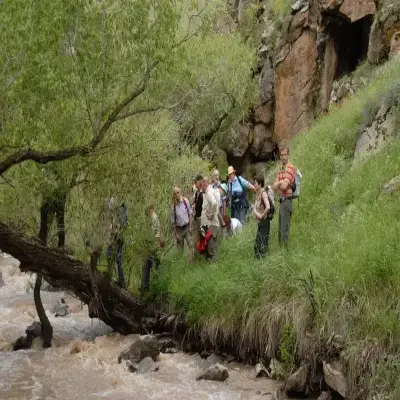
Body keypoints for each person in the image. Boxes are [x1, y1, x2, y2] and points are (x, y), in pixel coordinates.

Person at [272, 146, 296, 247]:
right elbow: (274, 186)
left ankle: (285, 253)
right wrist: (281, 182)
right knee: (280, 230)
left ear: (288, 155)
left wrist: (280, 183)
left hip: (287, 201)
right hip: (281, 201)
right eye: (281, 155)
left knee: (284, 230)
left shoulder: (290, 168)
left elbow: (284, 186)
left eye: (285, 154)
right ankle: (282, 252)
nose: (283, 157)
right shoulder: (281, 169)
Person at [105, 197, 127, 289]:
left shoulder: (120, 205)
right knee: (117, 257)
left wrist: (116, 230)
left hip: (117, 235)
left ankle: (110, 277)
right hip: (117, 235)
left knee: (111, 254)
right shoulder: (122, 205)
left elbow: (123, 223)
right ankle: (120, 280)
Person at [142, 205, 164, 292]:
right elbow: (156, 232)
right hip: (151, 244)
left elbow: (157, 232)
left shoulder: (153, 218)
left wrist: (159, 242)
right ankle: (149, 285)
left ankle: (148, 285)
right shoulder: (152, 218)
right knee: (152, 263)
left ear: (151, 209)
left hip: (152, 244)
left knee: (151, 263)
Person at [170, 186, 193, 260]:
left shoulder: (185, 201)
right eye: (175, 193)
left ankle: (191, 261)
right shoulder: (173, 207)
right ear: (173, 195)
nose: (177, 194)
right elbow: (173, 222)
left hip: (186, 227)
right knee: (180, 250)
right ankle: (181, 265)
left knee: (191, 245)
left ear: (180, 192)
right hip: (179, 229)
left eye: (178, 192)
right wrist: (176, 234)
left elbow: (190, 213)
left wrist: (190, 226)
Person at [200, 176, 220, 261]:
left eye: (201, 185)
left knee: (211, 247)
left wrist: (211, 214)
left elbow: (215, 204)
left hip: (212, 224)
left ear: (205, 184)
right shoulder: (207, 192)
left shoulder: (209, 192)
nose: (201, 188)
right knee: (209, 246)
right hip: (208, 224)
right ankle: (211, 265)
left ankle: (214, 266)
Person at [252, 177, 271, 258]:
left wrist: (262, 215)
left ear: (259, 184)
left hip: (264, 222)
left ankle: (263, 262)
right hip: (261, 223)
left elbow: (268, 207)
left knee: (262, 246)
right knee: (257, 246)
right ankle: (259, 263)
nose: (254, 185)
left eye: (255, 183)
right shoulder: (258, 194)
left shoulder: (263, 194)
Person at [192, 175, 204, 258]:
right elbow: (195, 203)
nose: (195, 184)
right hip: (196, 219)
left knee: (201, 238)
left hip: (201, 219)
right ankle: (197, 257)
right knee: (196, 239)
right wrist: (193, 205)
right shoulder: (197, 192)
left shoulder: (203, 193)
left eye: (196, 182)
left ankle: (200, 256)